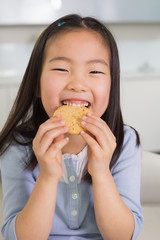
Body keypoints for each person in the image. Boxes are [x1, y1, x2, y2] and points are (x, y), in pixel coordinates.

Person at [0, 14, 143, 240]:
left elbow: (123, 236)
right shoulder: (16, 147)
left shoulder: (124, 141)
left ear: (112, 85)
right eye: (61, 69)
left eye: (95, 71)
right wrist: (47, 175)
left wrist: (101, 171)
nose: (77, 84)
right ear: (36, 83)